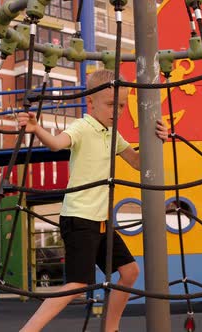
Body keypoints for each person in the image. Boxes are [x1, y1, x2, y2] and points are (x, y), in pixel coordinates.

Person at [19, 69, 168, 332]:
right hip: (79, 217)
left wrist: (157, 141)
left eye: (121, 105)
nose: (117, 111)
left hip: (100, 220)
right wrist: (36, 128)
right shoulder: (82, 127)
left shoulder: (113, 135)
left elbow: (136, 163)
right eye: (111, 104)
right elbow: (56, 143)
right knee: (78, 284)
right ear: (91, 103)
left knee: (130, 271)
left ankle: (110, 329)